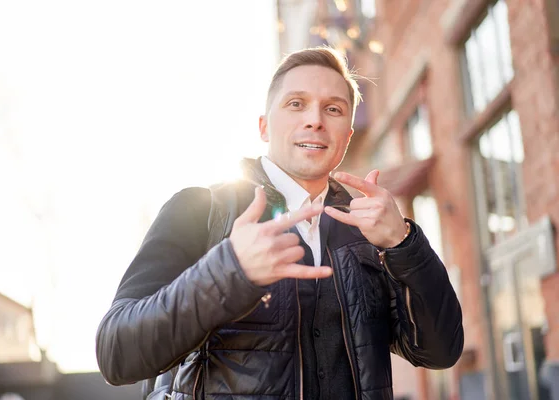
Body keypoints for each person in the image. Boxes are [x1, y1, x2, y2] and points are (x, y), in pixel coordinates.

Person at [96, 47, 464, 400]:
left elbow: (439, 352)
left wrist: (403, 244)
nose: (315, 120)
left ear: (347, 137)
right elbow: (117, 354)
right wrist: (230, 271)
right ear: (264, 127)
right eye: (296, 104)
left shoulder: (370, 232)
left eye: (333, 109)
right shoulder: (201, 210)